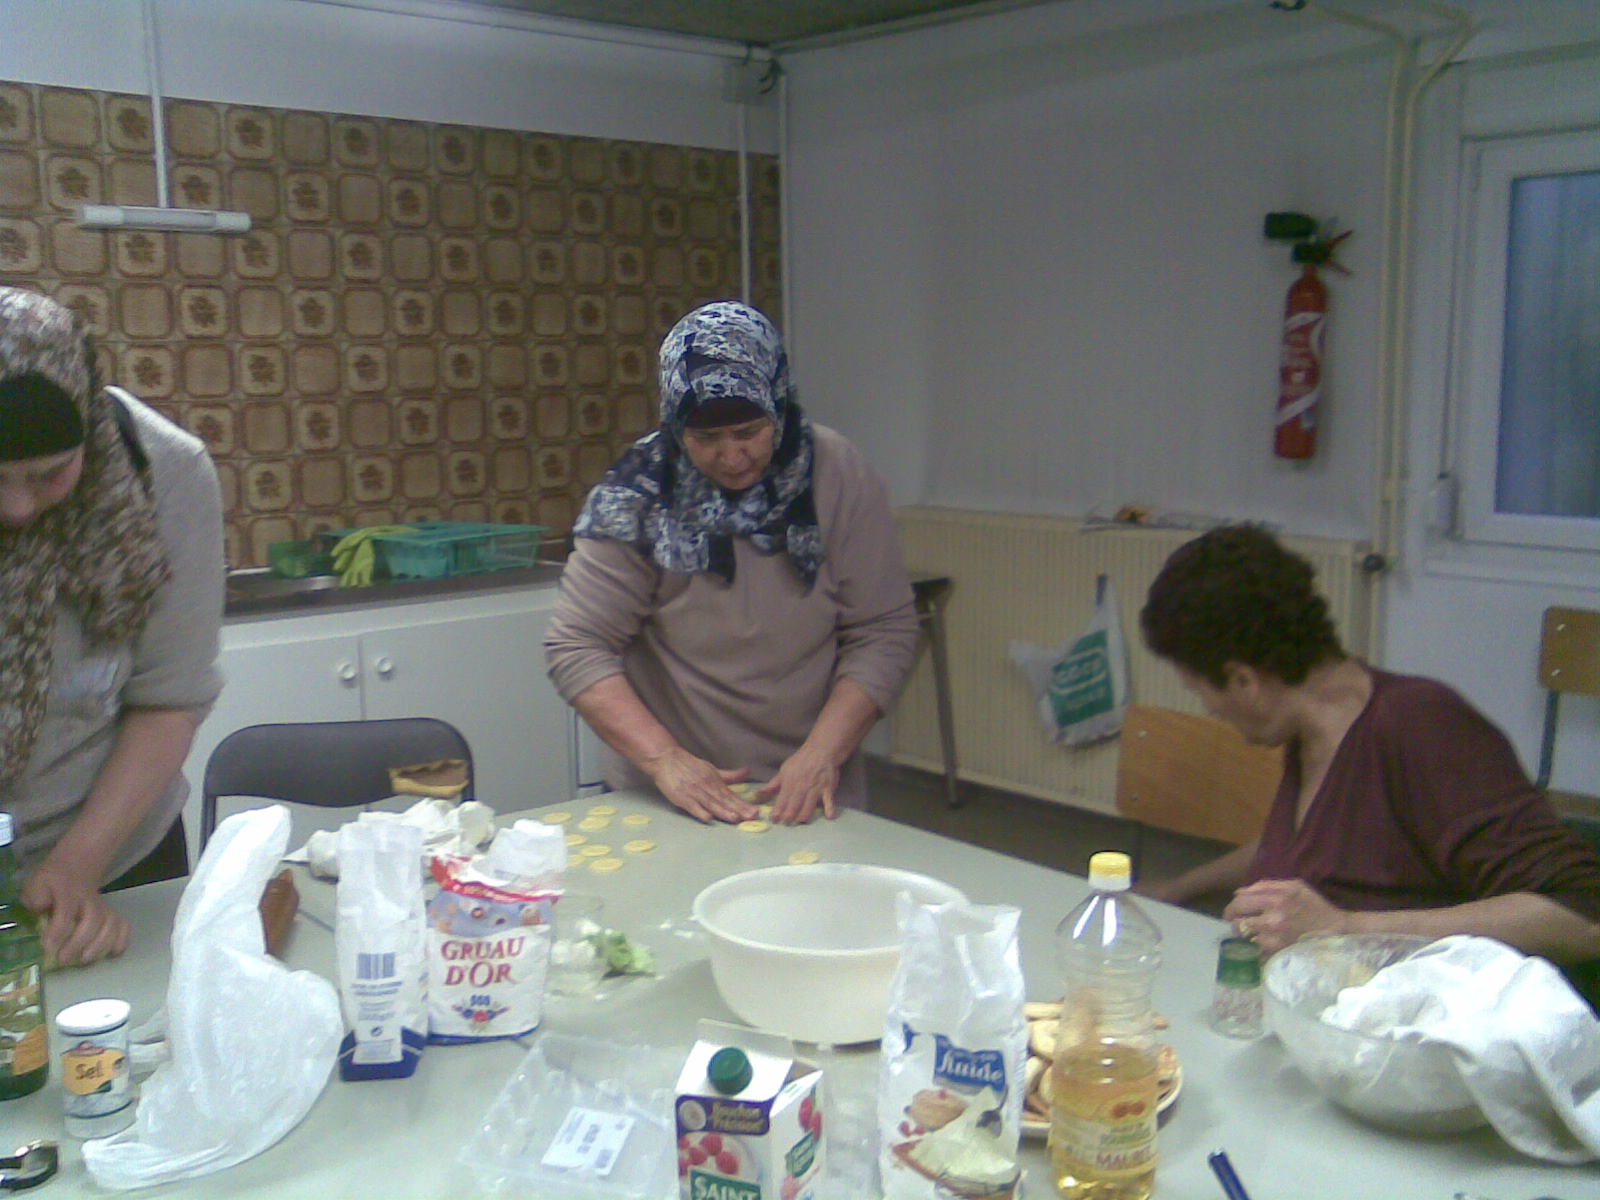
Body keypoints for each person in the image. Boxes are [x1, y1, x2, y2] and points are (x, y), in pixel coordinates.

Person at [1135, 524, 1600, 988]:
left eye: (1198, 691)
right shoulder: (1309, 729)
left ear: (1243, 681)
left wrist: (1346, 928)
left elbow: (1583, 915)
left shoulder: (1419, 723)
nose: (1210, 709)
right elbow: (1305, 849)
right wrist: (1178, 888)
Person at [545, 300, 919, 826]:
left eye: (748, 432)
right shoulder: (637, 497)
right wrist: (665, 760)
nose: (732, 457)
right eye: (706, 438)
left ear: (778, 405)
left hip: (812, 785)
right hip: (674, 794)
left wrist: (823, 753)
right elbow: (578, 645)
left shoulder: (837, 475)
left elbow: (883, 629)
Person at [0, 287, 223, 966]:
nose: (17, 508)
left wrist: (75, 870)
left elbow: (168, 700)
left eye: (49, 474)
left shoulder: (166, 473)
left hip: (115, 857)